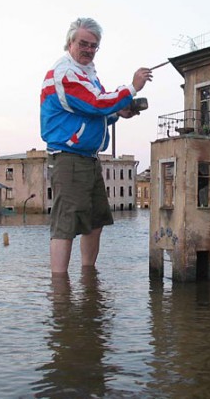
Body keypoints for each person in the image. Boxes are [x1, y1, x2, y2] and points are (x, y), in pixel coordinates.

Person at [40, 17, 152, 274]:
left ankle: (89, 277)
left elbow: (94, 112)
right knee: (65, 224)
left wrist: (119, 113)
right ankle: (60, 287)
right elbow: (96, 103)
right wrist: (132, 87)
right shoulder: (65, 73)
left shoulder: (87, 75)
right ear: (70, 42)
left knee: (94, 221)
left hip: (88, 158)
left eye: (94, 46)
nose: (89, 49)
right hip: (68, 157)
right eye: (84, 43)